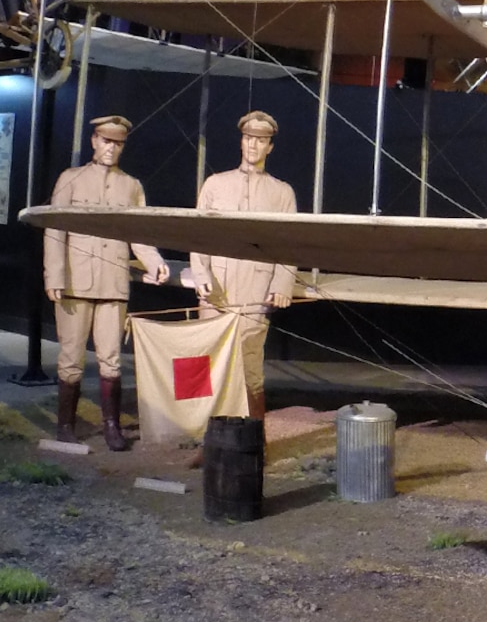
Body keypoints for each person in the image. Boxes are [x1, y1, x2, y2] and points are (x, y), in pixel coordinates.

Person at [42, 115, 170, 449]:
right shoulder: (71, 179)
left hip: (112, 284)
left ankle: (112, 426)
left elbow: (138, 233)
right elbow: (55, 229)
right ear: (94, 141)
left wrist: (155, 263)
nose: (111, 148)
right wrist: (54, 275)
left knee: (111, 358)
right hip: (75, 283)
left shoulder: (131, 186)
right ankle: (66, 425)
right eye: (106, 141)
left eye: (118, 143)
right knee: (70, 358)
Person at [188, 111, 297, 423]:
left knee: (250, 366)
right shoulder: (215, 184)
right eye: (249, 138)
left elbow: (288, 244)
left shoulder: (282, 193)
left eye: (261, 140)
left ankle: (251, 439)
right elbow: (199, 234)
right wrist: (201, 274)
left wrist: (281, 286)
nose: (253, 145)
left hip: (256, 291)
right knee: (209, 361)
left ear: (270, 147)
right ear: (241, 141)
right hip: (217, 291)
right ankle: (209, 438)